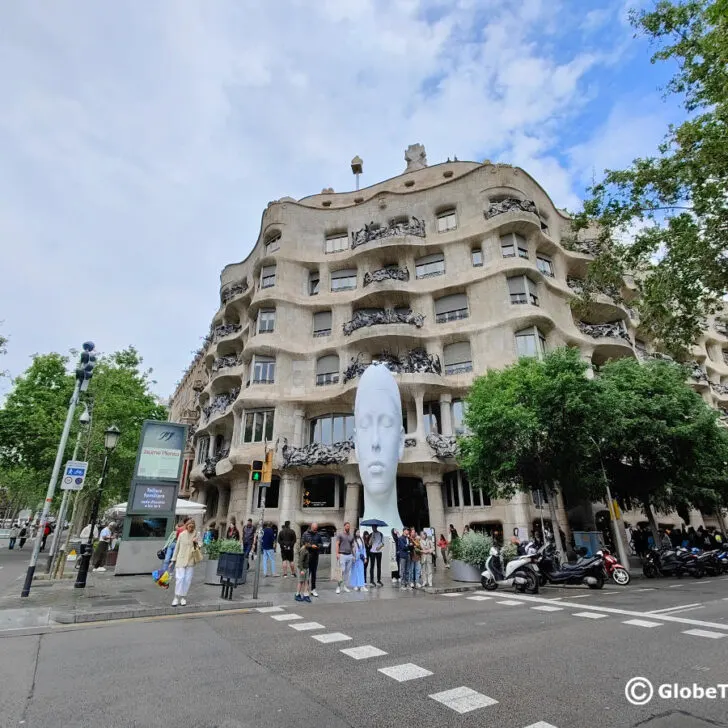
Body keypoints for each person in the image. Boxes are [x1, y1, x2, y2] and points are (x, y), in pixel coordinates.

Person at [169, 519, 200, 607]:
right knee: (180, 578)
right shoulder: (182, 535)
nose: (191, 528)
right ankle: (176, 597)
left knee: (187, 580)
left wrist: (196, 542)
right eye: (189, 527)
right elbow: (177, 547)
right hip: (181, 559)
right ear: (186, 526)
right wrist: (173, 560)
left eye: (192, 527)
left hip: (190, 560)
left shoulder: (196, 534)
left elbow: (201, 545)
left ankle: (183, 597)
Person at [301, 523, 322, 597]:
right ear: (311, 527)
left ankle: (313, 589)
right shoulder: (305, 534)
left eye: (316, 529)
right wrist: (310, 546)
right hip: (307, 556)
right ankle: (306, 589)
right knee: (307, 574)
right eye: (314, 529)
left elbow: (321, 543)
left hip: (315, 556)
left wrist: (318, 546)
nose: (315, 530)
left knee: (314, 574)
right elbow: (302, 543)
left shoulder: (318, 534)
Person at [335, 521, 356, 595]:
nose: (348, 527)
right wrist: (337, 554)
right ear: (344, 527)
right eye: (347, 526)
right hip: (342, 555)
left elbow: (352, 546)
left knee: (347, 572)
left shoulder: (351, 536)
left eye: (349, 526)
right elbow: (337, 544)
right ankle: (338, 587)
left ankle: (345, 586)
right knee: (342, 571)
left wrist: (354, 555)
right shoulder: (340, 535)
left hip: (349, 555)